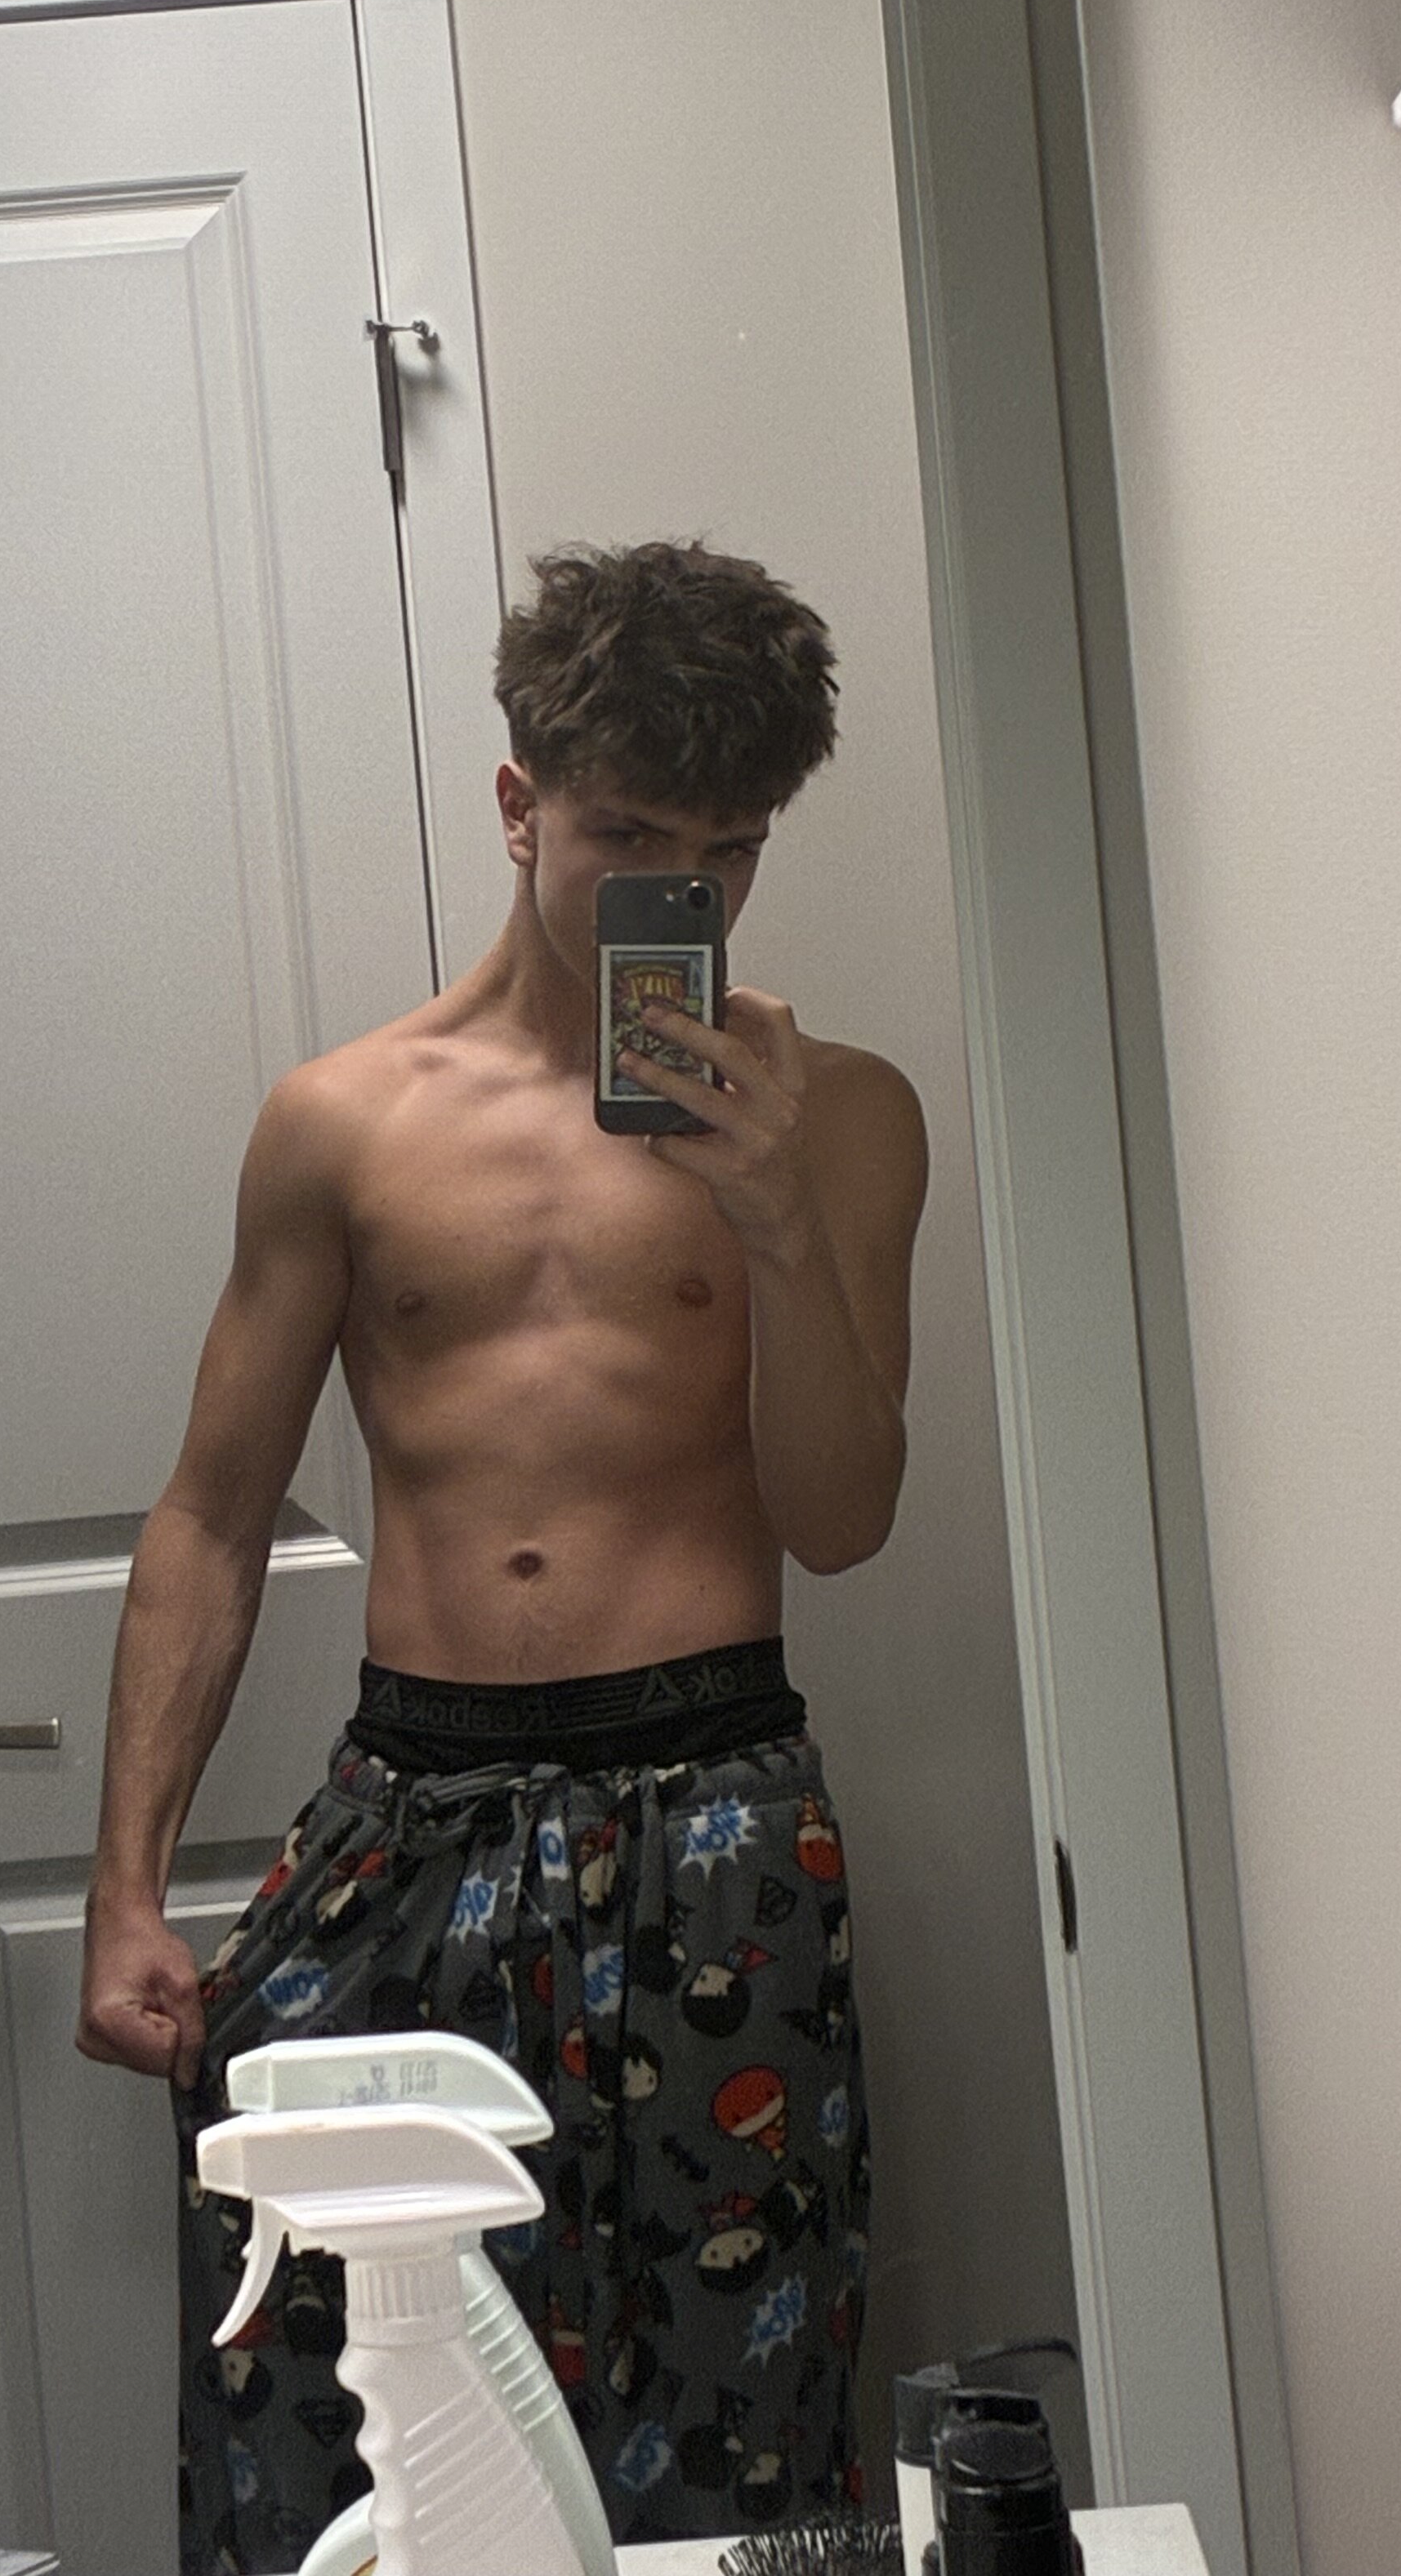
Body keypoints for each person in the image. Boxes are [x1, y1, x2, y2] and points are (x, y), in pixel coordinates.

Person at [77, 538, 928, 2574]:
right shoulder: (347, 1124)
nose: (677, 895)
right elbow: (211, 1512)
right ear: (520, 802)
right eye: (630, 837)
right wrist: (124, 1887)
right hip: (412, 1814)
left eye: (727, 854)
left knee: (729, 2446)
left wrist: (774, 1220)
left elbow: (841, 1521)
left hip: (717, 1814)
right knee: (334, 2435)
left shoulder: (842, 1119)